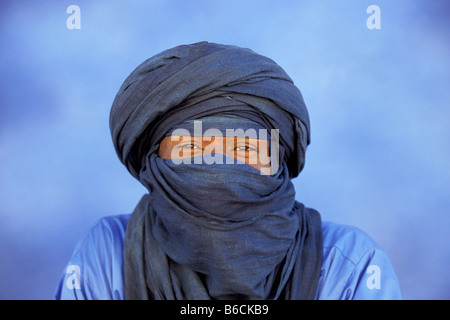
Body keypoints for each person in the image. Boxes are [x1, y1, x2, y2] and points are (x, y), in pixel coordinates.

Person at [54, 42, 401, 300]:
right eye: (190, 149)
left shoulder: (348, 265)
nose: (219, 169)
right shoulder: (108, 254)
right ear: (152, 164)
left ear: (279, 162)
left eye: (245, 149)